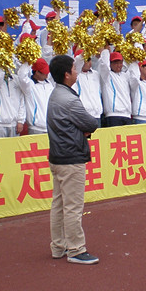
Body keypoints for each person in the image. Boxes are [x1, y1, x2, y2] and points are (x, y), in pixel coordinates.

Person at [46, 54, 100, 265]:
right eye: (74, 69)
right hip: (70, 158)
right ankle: (76, 249)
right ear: (66, 74)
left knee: (59, 204)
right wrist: (83, 130)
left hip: (58, 156)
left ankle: (58, 246)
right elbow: (91, 123)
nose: (77, 72)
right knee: (72, 206)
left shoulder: (56, 94)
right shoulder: (68, 99)